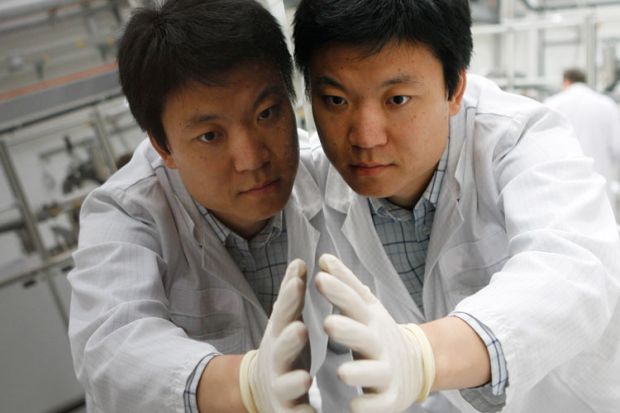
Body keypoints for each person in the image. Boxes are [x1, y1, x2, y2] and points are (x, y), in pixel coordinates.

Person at [293, 1, 620, 412]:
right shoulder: (313, 189)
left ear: (455, 89)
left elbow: (573, 268)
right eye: (336, 101)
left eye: (397, 99)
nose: (365, 136)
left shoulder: (517, 139)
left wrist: (421, 356)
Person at [67, 0, 332, 411]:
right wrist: (245, 384)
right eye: (210, 135)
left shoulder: (329, 176)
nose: (251, 158)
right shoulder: (127, 211)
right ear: (163, 145)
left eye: (267, 113)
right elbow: (112, 350)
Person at [544, 68, 620, 212]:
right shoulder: (607, 105)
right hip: (600, 184)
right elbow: (617, 148)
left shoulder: (552, 104)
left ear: (566, 81)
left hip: (564, 186)